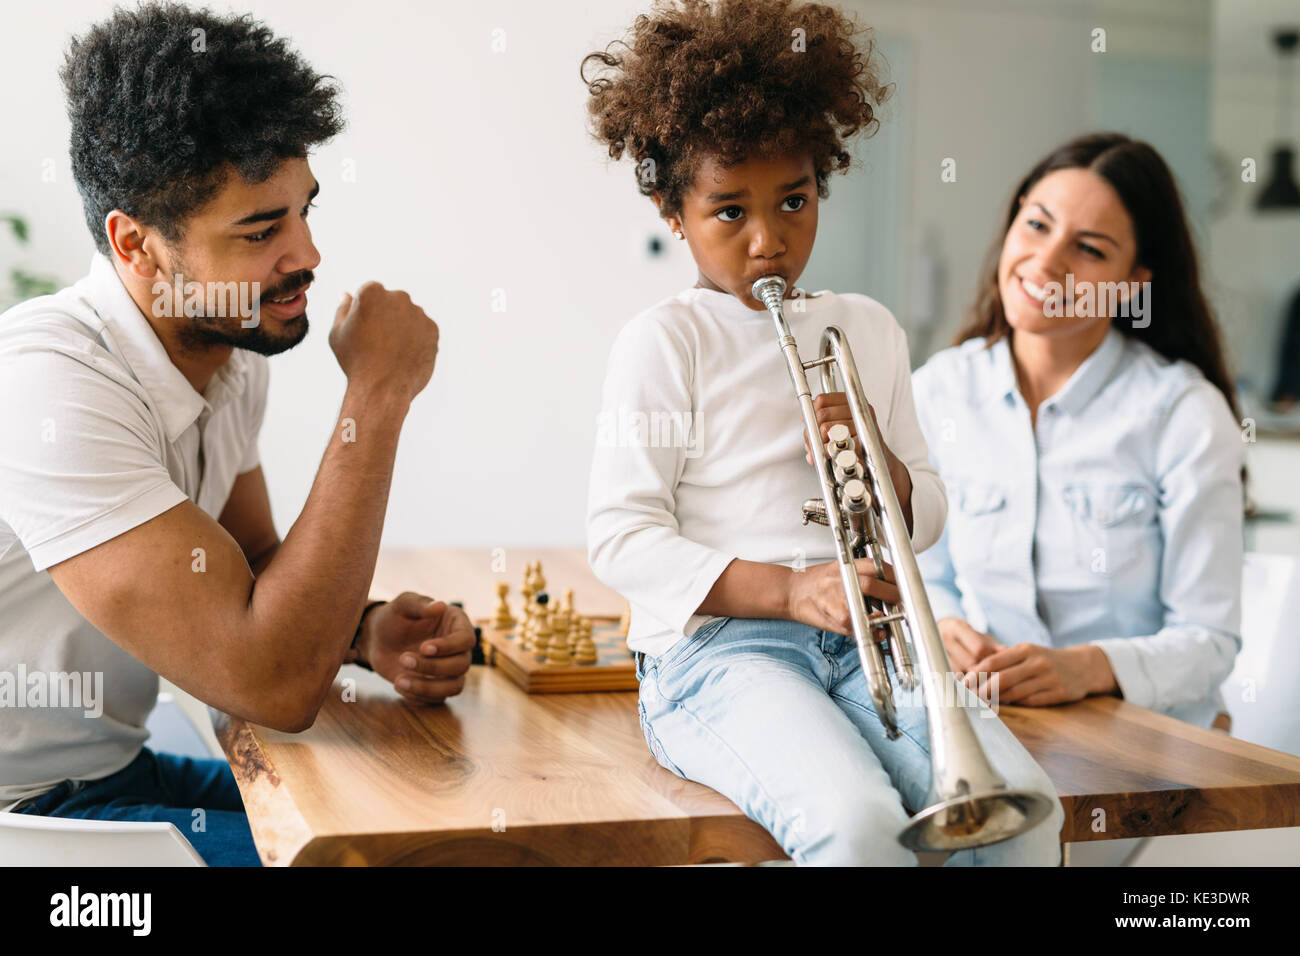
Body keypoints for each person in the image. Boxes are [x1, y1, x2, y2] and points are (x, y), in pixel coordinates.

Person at [583, 0, 1063, 866]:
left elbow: (927, 516)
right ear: (672, 212)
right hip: (720, 653)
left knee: (1027, 825)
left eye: (794, 201)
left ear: (822, 186)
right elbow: (621, 539)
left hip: (873, 633)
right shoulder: (665, 341)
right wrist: (789, 592)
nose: (769, 240)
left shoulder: (865, 328)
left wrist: (884, 469)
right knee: (857, 826)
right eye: (730, 211)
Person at [0, 3, 474, 866]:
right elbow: (272, 681)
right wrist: (378, 392)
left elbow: (249, 558)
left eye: (302, 211)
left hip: (115, 776)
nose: (308, 254)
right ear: (136, 246)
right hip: (27, 820)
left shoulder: (229, 345)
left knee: (436, 829)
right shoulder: (48, 383)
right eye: (261, 231)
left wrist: (364, 632)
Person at [912, 133, 1244, 733]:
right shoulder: (939, 391)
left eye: (1089, 249)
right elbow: (924, 577)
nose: (1046, 262)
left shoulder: (1183, 414)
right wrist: (943, 627)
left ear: (1133, 281)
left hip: (1144, 745)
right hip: (995, 726)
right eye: (1037, 225)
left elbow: (1210, 640)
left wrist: (1090, 667)